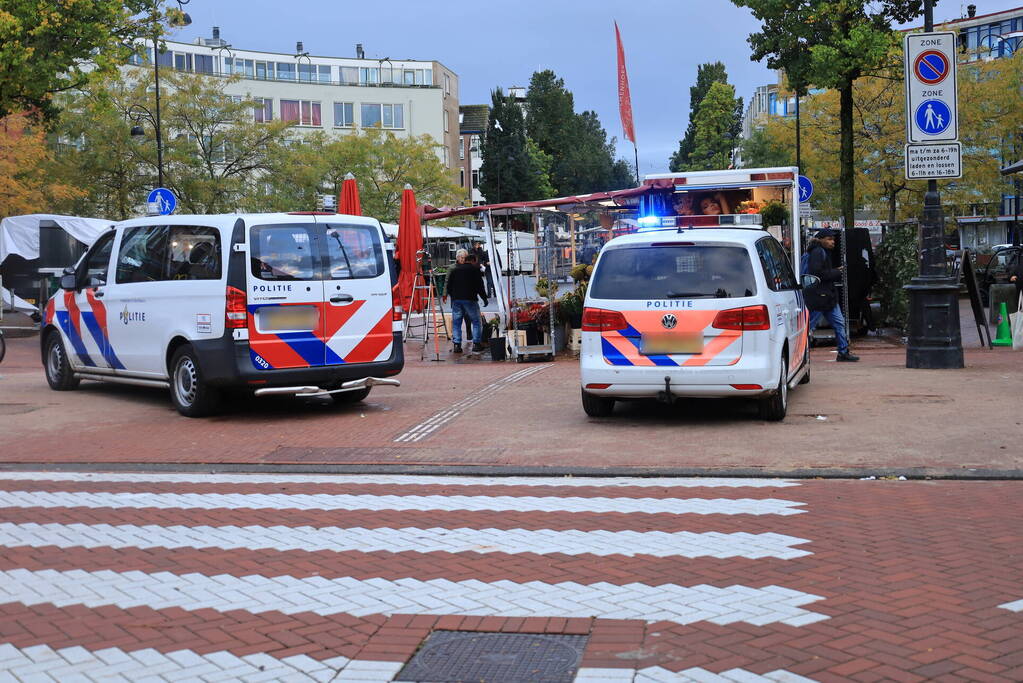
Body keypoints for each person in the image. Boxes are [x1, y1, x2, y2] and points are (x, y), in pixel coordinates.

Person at [804, 228, 859, 362]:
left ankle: (843, 351)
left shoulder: (819, 251)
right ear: (821, 240)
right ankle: (842, 352)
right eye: (829, 239)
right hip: (821, 297)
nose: (832, 242)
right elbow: (817, 273)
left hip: (824, 297)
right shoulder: (818, 252)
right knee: (811, 325)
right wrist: (836, 272)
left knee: (833, 323)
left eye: (833, 239)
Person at [445, 248, 489, 353]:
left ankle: (457, 345)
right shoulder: (474, 270)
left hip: (457, 300)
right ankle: (476, 344)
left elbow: (449, 285)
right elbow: (480, 286)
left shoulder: (455, 270)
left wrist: (454, 296)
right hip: (470, 299)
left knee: (456, 322)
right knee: (476, 321)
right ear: (473, 260)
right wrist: (484, 299)